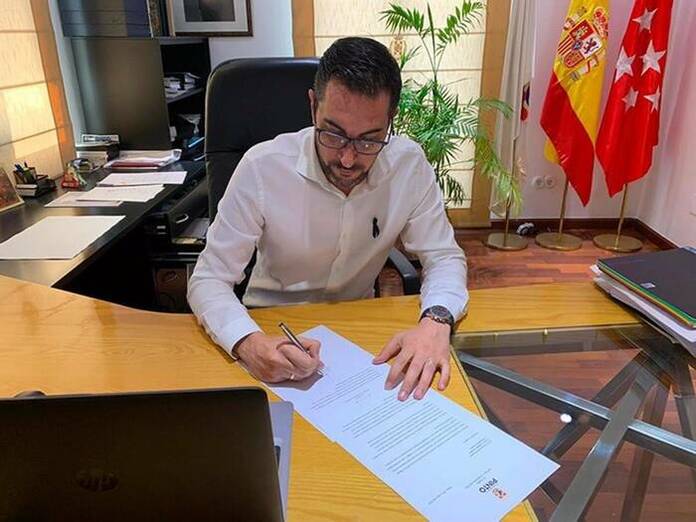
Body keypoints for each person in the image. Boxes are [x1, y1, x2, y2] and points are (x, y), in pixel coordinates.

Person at [188, 37, 468, 401]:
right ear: (312, 106)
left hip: (359, 329)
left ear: (390, 121)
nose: (348, 159)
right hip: (271, 325)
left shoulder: (408, 165)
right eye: (333, 134)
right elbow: (209, 279)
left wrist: (436, 321)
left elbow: (443, 257)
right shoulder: (262, 167)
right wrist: (247, 342)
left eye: (369, 140)